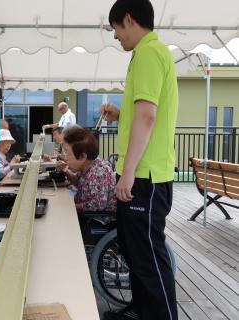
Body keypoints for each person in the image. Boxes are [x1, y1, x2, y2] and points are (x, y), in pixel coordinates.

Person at [100, 1, 178, 319]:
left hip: (145, 177)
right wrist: (120, 114)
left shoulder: (148, 53)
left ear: (129, 20)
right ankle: (141, 311)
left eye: (116, 28)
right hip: (146, 175)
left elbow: (147, 117)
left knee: (147, 257)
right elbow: (143, 114)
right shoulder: (149, 53)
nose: (116, 36)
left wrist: (128, 172)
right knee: (136, 253)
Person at [61, 127, 116, 213]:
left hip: (96, 220)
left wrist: (68, 207)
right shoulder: (87, 165)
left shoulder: (99, 172)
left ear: (83, 156)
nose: (65, 157)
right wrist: (65, 170)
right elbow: (78, 182)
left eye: (67, 152)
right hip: (86, 214)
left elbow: (97, 205)